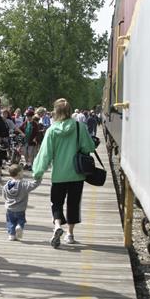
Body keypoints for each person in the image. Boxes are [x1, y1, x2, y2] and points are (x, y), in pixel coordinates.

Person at [32, 98, 95, 248]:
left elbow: (45, 154)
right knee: (73, 203)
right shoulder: (80, 127)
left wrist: (38, 171)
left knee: (57, 203)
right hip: (76, 175)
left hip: (59, 175)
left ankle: (57, 226)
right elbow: (89, 148)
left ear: (56, 112)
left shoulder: (52, 130)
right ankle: (70, 234)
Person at [3, 164, 41, 241]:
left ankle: (11, 235)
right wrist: (38, 178)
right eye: (22, 172)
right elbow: (33, 185)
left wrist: (8, 202)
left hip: (10, 208)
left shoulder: (6, 185)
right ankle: (20, 226)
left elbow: (4, 195)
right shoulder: (23, 184)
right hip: (20, 209)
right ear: (19, 173)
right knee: (21, 220)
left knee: (10, 222)